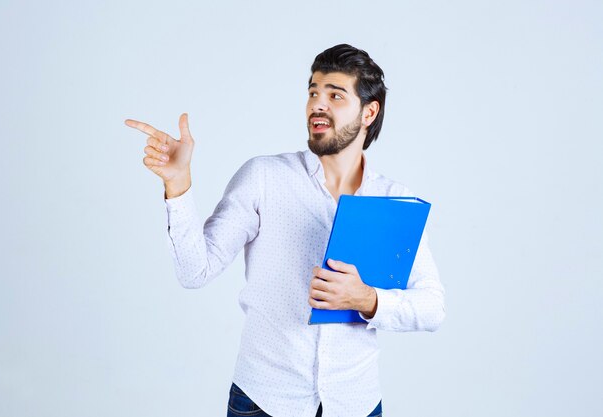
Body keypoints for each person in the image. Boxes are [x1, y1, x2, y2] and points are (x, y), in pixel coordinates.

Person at [125, 44, 445, 417]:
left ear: (368, 112)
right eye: (313, 92)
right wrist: (178, 185)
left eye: (335, 95)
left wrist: (367, 299)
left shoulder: (396, 203)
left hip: (356, 403)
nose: (317, 104)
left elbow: (433, 307)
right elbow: (195, 272)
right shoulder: (263, 177)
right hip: (264, 401)